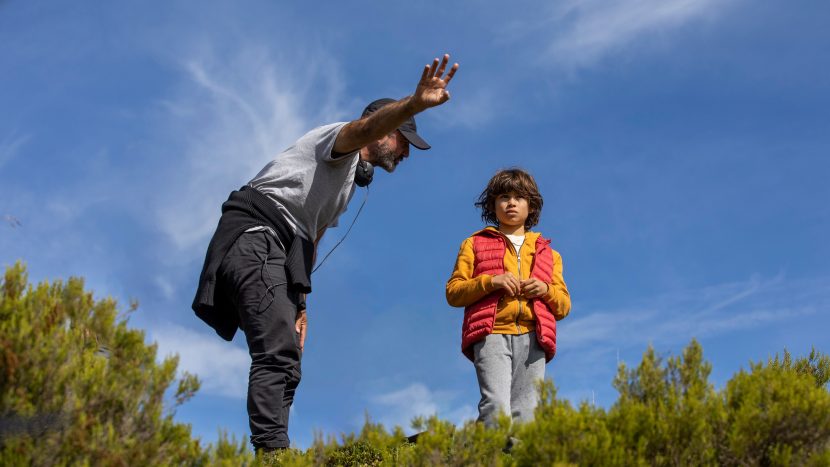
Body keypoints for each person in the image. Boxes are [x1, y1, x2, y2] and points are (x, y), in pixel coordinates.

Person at [192, 54, 459, 451]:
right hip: (253, 236)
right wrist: (414, 104)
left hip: (278, 250)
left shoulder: (346, 186)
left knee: (289, 363)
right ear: (384, 130)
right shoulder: (337, 142)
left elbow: (310, 240)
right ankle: (274, 455)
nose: (406, 153)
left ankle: (275, 449)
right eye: (404, 141)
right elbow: (364, 128)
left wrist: (300, 304)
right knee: (275, 351)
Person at [445, 168, 571, 427]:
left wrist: (545, 290)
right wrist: (491, 282)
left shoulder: (550, 254)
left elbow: (564, 305)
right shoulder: (474, 244)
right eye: (503, 197)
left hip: (535, 336)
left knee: (527, 413)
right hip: (490, 332)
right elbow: (454, 292)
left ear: (531, 205)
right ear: (493, 204)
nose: (511, 202)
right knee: (496, 408)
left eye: (519, 197)